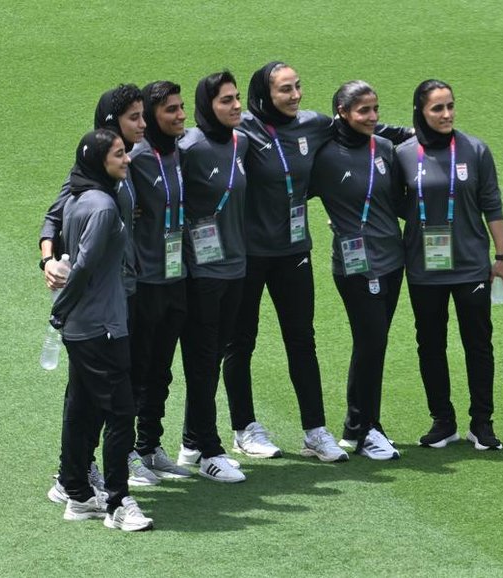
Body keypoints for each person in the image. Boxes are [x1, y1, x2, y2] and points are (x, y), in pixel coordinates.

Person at [223, 62, 412, 461]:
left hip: (294, 251)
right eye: (285, 90)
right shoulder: (243, 132)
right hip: (249, 254)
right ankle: (243, 428)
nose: (295, 96)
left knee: (302, 338)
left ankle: (315, 430)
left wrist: (418, 135)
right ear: (265, 95)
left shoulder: (313, 124)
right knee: (240, 341)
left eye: (297, 87)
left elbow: (365, 127)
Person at [39, 84, 161, 501]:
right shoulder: (95, 172)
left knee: (102, 388)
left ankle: (80, 470)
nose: (143, 124)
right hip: (103, 300)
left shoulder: (124, 165)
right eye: (134, 117)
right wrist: (48, 261)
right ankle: (76, 473)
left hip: (122, 292)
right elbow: (53, 217)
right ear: (112, 123)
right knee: (88, 393)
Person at [395, 79, 503, 451]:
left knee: (478, 344)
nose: (446, 115)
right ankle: (442, 421)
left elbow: (491, 203)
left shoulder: (475, 150)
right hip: (423, 267)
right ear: (420, 111)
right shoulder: (402, 154)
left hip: (470, 266)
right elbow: (387, 202)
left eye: (450, 106)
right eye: (437, 108)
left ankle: (482, 422)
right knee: (430, 344)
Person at [308, 80, 404, 460]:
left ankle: (362, 426)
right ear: (343, 113)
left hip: (392, 260)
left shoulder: (383, 148)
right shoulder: (326, 156)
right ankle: (363, 429)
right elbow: (290, 191)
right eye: (363, 111)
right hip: (355, 266)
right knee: (370, 342)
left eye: (375, 109)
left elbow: (396, 201)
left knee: (376, 345)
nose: (372, 117)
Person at [175, 71, 248, 482]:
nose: (235, 106)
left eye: (237, 98)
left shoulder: (242, 143)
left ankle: (190, 443)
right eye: (225, 100)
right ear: (208, 106)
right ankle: (209, 449)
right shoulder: (191, 147)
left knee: (214, 358)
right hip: (202, 272)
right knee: (202, 361)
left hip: (236, 267)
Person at [126, 81, 192, 479]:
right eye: (171, 109)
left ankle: (150, 445)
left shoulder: (183, 152)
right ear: (152, 116)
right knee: (137, 369)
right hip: (145, 282)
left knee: (162, 371)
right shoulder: (133, 158)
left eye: (182, 107)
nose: (181, 115)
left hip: (176, 276)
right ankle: (127, 452)